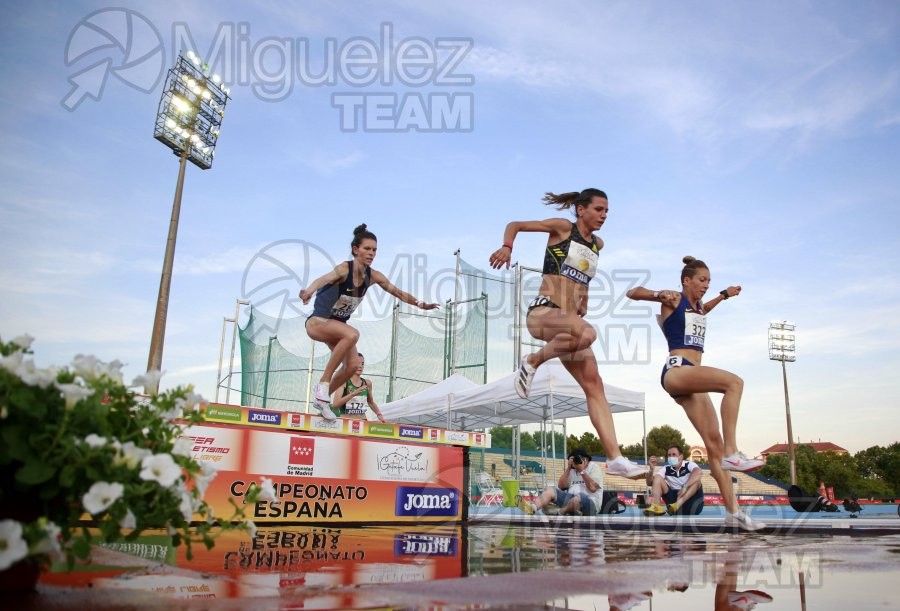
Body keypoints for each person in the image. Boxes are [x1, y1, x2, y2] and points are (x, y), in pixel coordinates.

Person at [489, 189, 647, 479]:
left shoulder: (597, 244)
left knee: (595, 385)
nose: (604, 215)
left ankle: (615, 459)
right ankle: (533, 360)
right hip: (544, 312)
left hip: (568, 324)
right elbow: (516, 224)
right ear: (580, 209)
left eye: (607, 211)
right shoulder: (563, 229)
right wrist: (507, 246)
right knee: (587, 334)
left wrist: (584, 298)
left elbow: (582, 275)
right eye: (599, 209)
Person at [626, 256, 766, 531]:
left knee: (712, 444)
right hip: (678, 371)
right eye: (702, 280)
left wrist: (724, 295)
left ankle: (732, 511)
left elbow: (706, 308)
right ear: (686, 280)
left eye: (709, 281)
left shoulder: (699, 307)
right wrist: (657, 294)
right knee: (734, 383)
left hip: (691, 379)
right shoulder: (674, 299)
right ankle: (733, 451)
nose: (705, 285)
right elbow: (633, 293)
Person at [299, 224, 439, 419]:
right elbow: (322, 279)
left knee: (352, 365)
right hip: (318, 323)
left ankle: (322, 400)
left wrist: (420, 304)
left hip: (337, 327)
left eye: (374, 250)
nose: (371, 253)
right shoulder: (343, 269)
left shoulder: (373, 276)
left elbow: (397, 291)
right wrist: (308, 291)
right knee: (353, 334)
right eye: (367, 248)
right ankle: (323, 384)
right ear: (356, 250)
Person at [517, 448, 604, 516]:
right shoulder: (572, 470)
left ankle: (559, 512)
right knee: (550, 490)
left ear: (587, 460)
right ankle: (532, 508)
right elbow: (561, 486)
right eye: (575, 459)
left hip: (590, 504)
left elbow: (593, 488)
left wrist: (581, 470)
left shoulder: (594, 467)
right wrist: (569, 468)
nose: (578, 461)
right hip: (571, 502)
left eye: (580, 459)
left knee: (580, 497)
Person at [643, 445, 704, 516]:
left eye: (674, 454)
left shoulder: (689, 464)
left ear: (681, 456)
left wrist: (685, 487)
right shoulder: (666, 468)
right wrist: (651, 469)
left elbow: (699, 472)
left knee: (697, 481)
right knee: (657, 478)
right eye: (669, 455)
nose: (671, 457)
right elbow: (649, 483)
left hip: (692, 505)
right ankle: (656, 507)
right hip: (672, 506)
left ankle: (678, 504)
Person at [331, 352, 385, 422]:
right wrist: (353, 394)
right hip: (346, 422)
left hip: (362, 421)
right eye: (357, 363)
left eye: (362, 364)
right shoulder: (344, 382)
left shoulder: (367, 383)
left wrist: (378, 413)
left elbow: (370, 402)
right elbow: (335, 404)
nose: (360, 366)